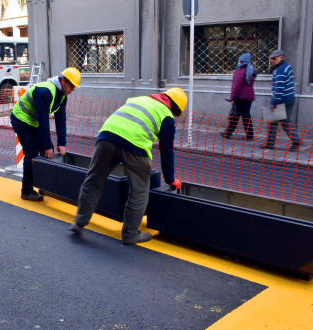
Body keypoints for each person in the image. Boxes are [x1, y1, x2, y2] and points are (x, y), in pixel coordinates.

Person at [69, 88, 186, 245]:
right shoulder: (167, 116)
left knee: (93, 181)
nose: (176, 117)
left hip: (107, 137)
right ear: (175, 108)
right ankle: (130, 235)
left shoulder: (138, 99)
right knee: (140, 190)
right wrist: (170, 179)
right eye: (177, 114)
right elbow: (167, 151)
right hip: (135, 147)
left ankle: (79, 221)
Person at [10, 67, 81, 201]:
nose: (72, 90)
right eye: (71, 86)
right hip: (21, 119)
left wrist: (61, 143)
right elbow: (44, 121)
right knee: (31, 153)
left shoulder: (62, 97)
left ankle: (44, 187)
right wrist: (47, 144)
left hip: (34, 122)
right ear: (63, 81)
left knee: (47, 152)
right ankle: (26, 191)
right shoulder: (45, 91)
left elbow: (60, 120)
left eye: (74, 87)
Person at [262, 49, 302, 152]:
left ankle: (295, 140)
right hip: (289, 98)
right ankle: (272, 143)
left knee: (278, 122)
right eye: (271, 59)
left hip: (282, 100)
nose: (272, 61)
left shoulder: (280, 69)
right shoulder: (287, 66)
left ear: (281, 58)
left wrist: (274, 102)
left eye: (274, 59)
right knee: (282, 121)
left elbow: (279, 88)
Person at [220, 52, 255, 140]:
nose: (238, 62)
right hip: (249, 97)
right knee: (246, 115)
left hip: (241, 97)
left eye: (239, 61)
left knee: (235, 115)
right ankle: (250, 134)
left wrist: (233, 98)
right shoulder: (251, 71)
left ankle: (228, 133)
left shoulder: (240, 71)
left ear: (242, 61)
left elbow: (236, 86)